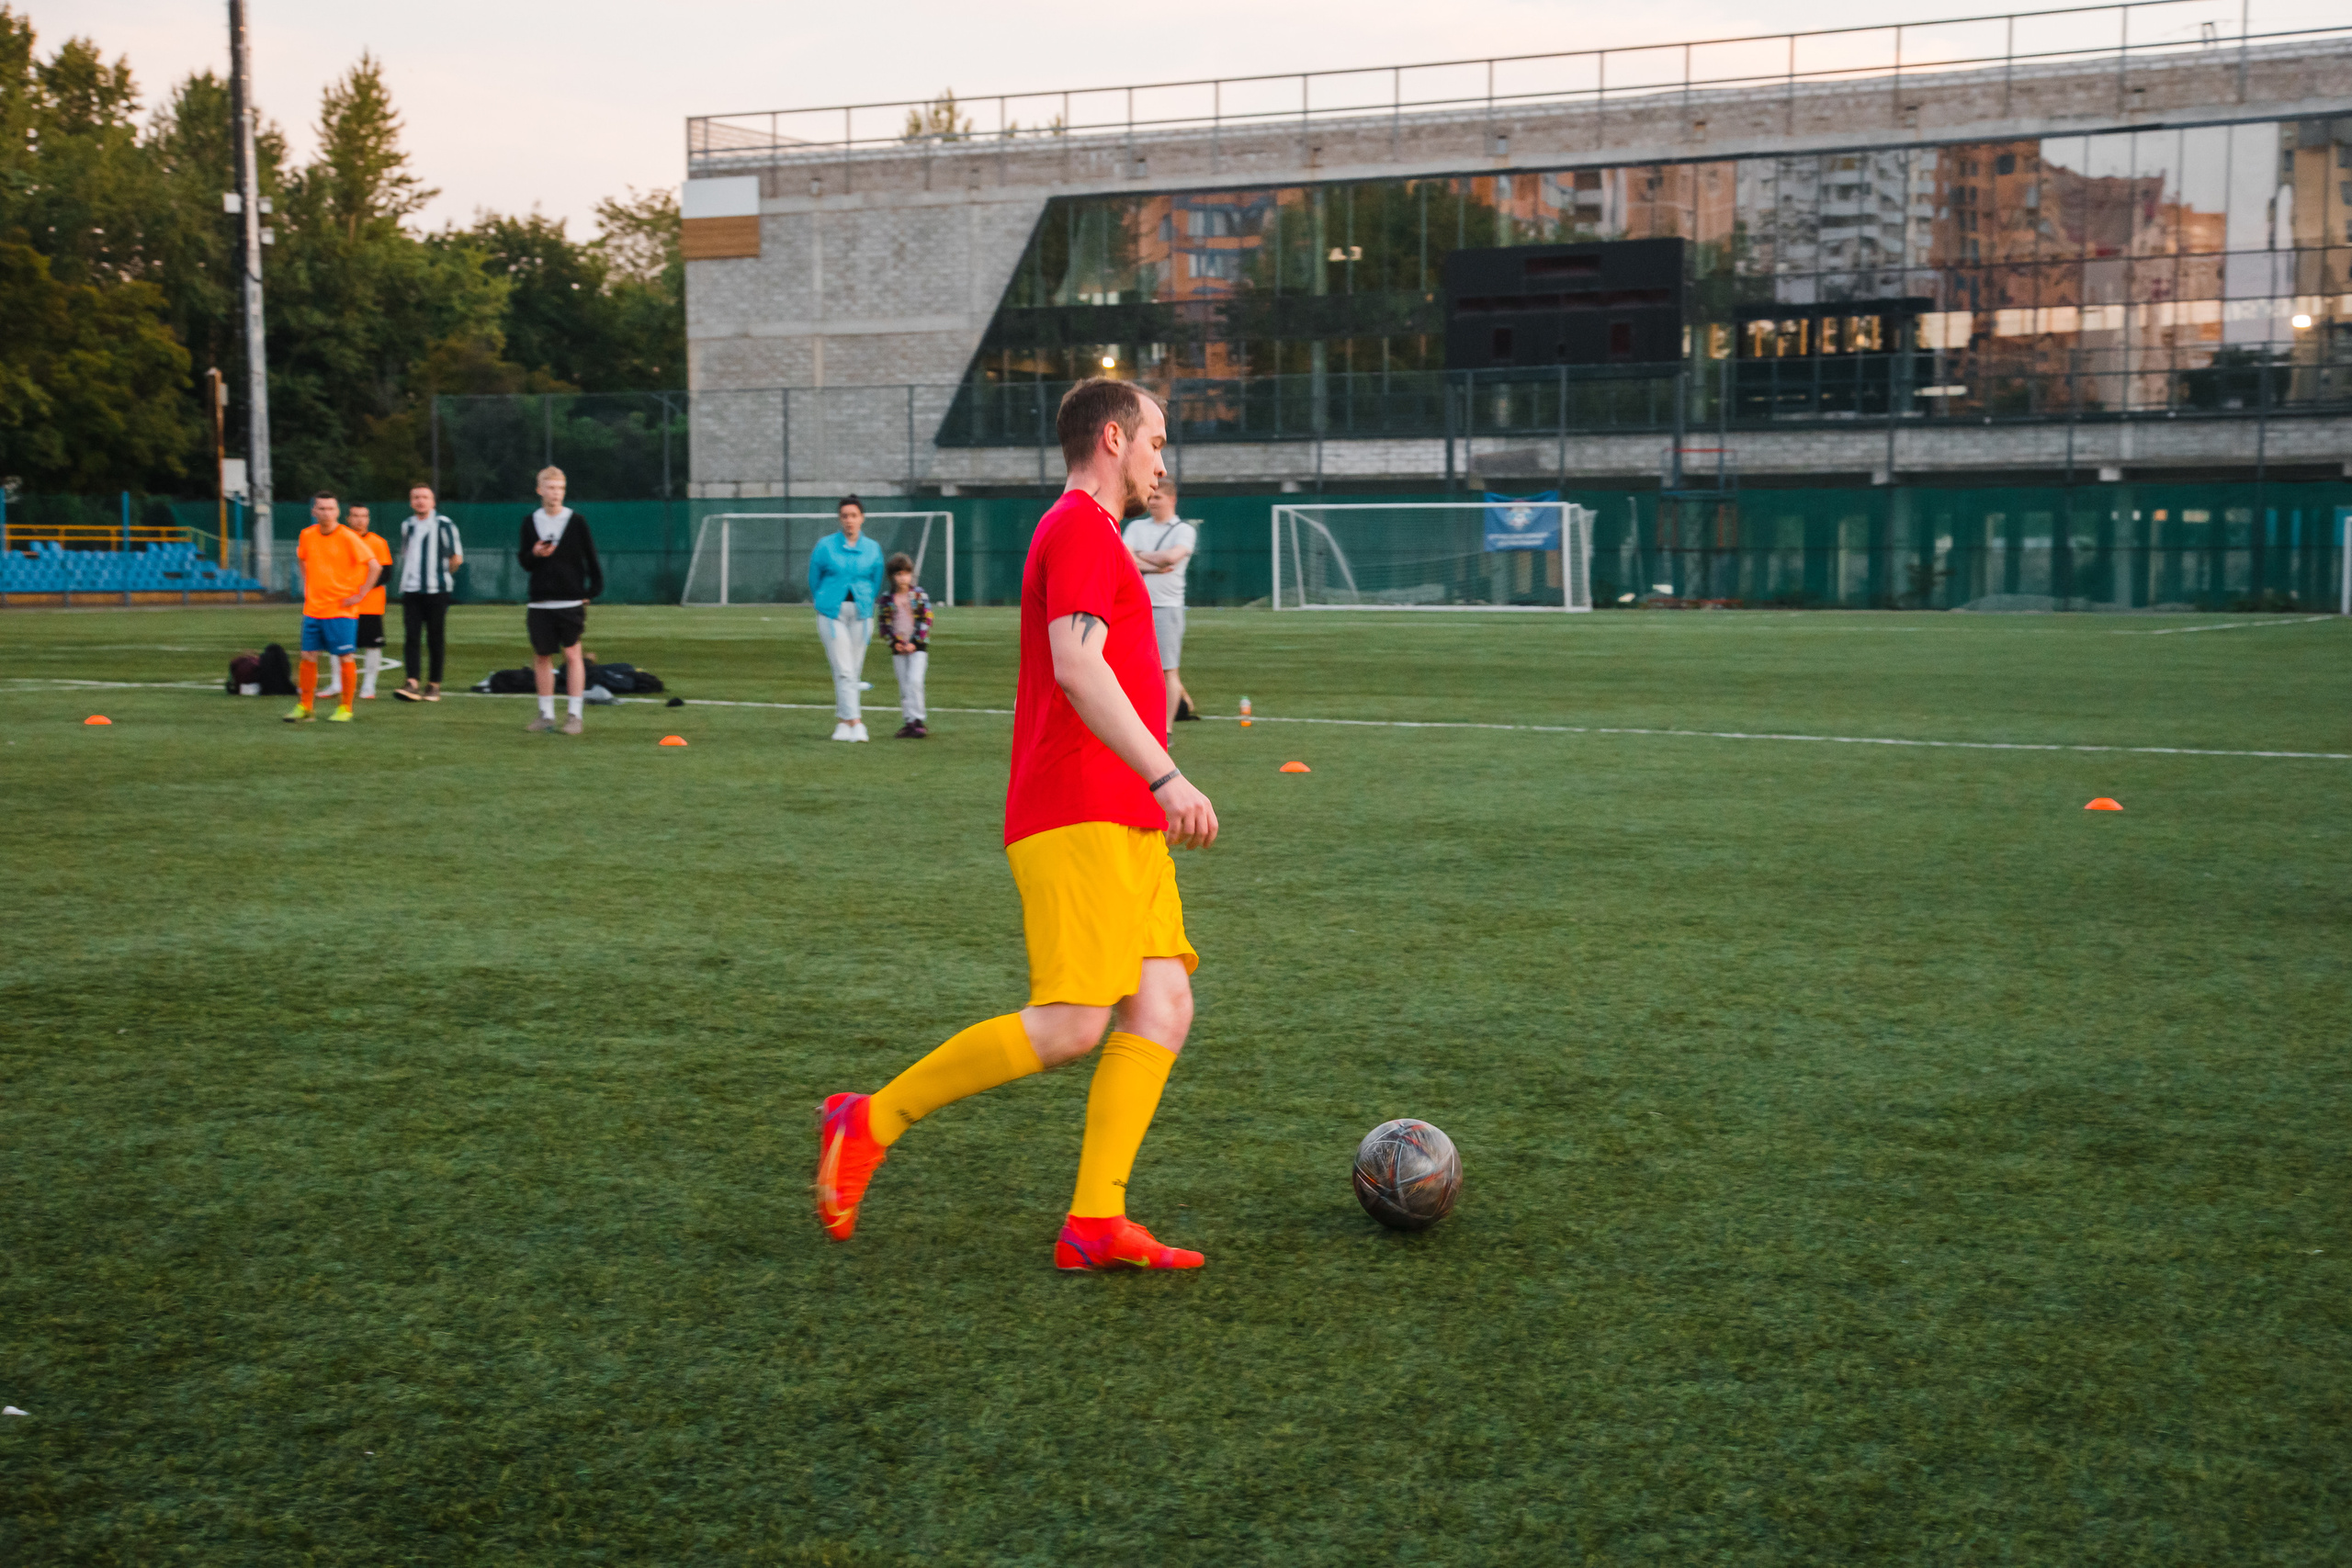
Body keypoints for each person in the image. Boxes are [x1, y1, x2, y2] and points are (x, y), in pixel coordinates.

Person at [813, 378, 1220, 1272]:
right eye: (1155, 439)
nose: (1163, 457)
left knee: (1163, 1003)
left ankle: (1094, 1221)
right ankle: (867, 1120)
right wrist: (1166, 774)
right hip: (1079, 805)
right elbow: (1076, 666)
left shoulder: (1098, 537)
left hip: (1120, 814)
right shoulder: (1077, 527)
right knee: (1075, 1023)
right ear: (1113, 439)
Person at [515, 466, 602, 735]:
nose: (556, 493)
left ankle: (574, 714)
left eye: (560, 488)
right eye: (551, 488)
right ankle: (546, 713)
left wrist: (592, 590)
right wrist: (535, 554)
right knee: (542, 656)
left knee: (573, 653)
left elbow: (591, 559)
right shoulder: (531, 521)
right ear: (540, 490)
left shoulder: (576, 521)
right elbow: (525, 562)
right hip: (540, 600)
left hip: (570, 600)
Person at [284, 491, 380, 725]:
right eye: (322, 508)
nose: (326, 513)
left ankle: (345, 707)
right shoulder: (307, 535)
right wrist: (309, 584)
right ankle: (305, 705)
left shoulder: (348, 537)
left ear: (337, 512)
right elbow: (301, 558)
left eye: (331, 509)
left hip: (341, 610)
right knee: (308, 655)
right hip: (314, 608)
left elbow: (375, 566)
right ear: (314, 511)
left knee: (345, 656)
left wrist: (360, 594)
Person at [1124, 480, 1200, 729]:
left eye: (1158, 497)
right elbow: (1123, 557)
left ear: (1172, 500)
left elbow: (1171, 558)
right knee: (1133, 667)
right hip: (1134, 605)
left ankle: (1165, 729)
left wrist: (1140, 556)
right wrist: (1154, 565)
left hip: (1167, 607)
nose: (1152, 501)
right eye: (1151, 497)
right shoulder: (1136, 526)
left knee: (1168, 669)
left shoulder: (1183, 530)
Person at [808, 495, 884, 741]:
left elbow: (876, 577)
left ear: (862, 518)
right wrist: (824, 599)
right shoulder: (825, 546)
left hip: (861, 612)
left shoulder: (872, 548)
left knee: (854, 669)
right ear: (840, 519)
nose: (849, 520)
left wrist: (865, 598)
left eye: (853, 515)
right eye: (844, 516)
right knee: (843, 668)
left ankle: (842, 723)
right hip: (832, 612)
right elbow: (814, 577)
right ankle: (857, 722)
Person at [392, 483, 464, 703]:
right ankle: (412, 682)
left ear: (432, 502)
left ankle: (434, 684)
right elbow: (406, 553)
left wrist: (442, 576)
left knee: (435, 637)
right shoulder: (408, 525)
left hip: (437, 590)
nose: (420, 501)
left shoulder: (444, 525)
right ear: (411, 501)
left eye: (424, 497)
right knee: (411, 636)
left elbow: (456, 558)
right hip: (412, 590)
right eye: (416, 497)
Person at [880, 551, 932, 739]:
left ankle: (918, 720)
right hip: (899, 650)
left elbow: (926, 619)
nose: (903, 578)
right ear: (891, 577)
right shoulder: (887, 599)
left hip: (918, 649)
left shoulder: (918, 595)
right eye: (899, 574)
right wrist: (895, 642)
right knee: (904, 685)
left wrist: (915, 642)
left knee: (915, 681)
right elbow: (884, 625)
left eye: (906, 573)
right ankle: (909, 721)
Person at [346, 506, 395, 700]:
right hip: (345, 602)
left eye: (364, 516)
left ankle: (368, 685)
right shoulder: (342, 539)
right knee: (339, 643)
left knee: (372, 645)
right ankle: (337, 683)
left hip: (371, 603)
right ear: (348, 518)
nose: (360, 520)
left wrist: (363, 587)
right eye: (356, 516)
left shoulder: (377, 542)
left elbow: (386, 573)